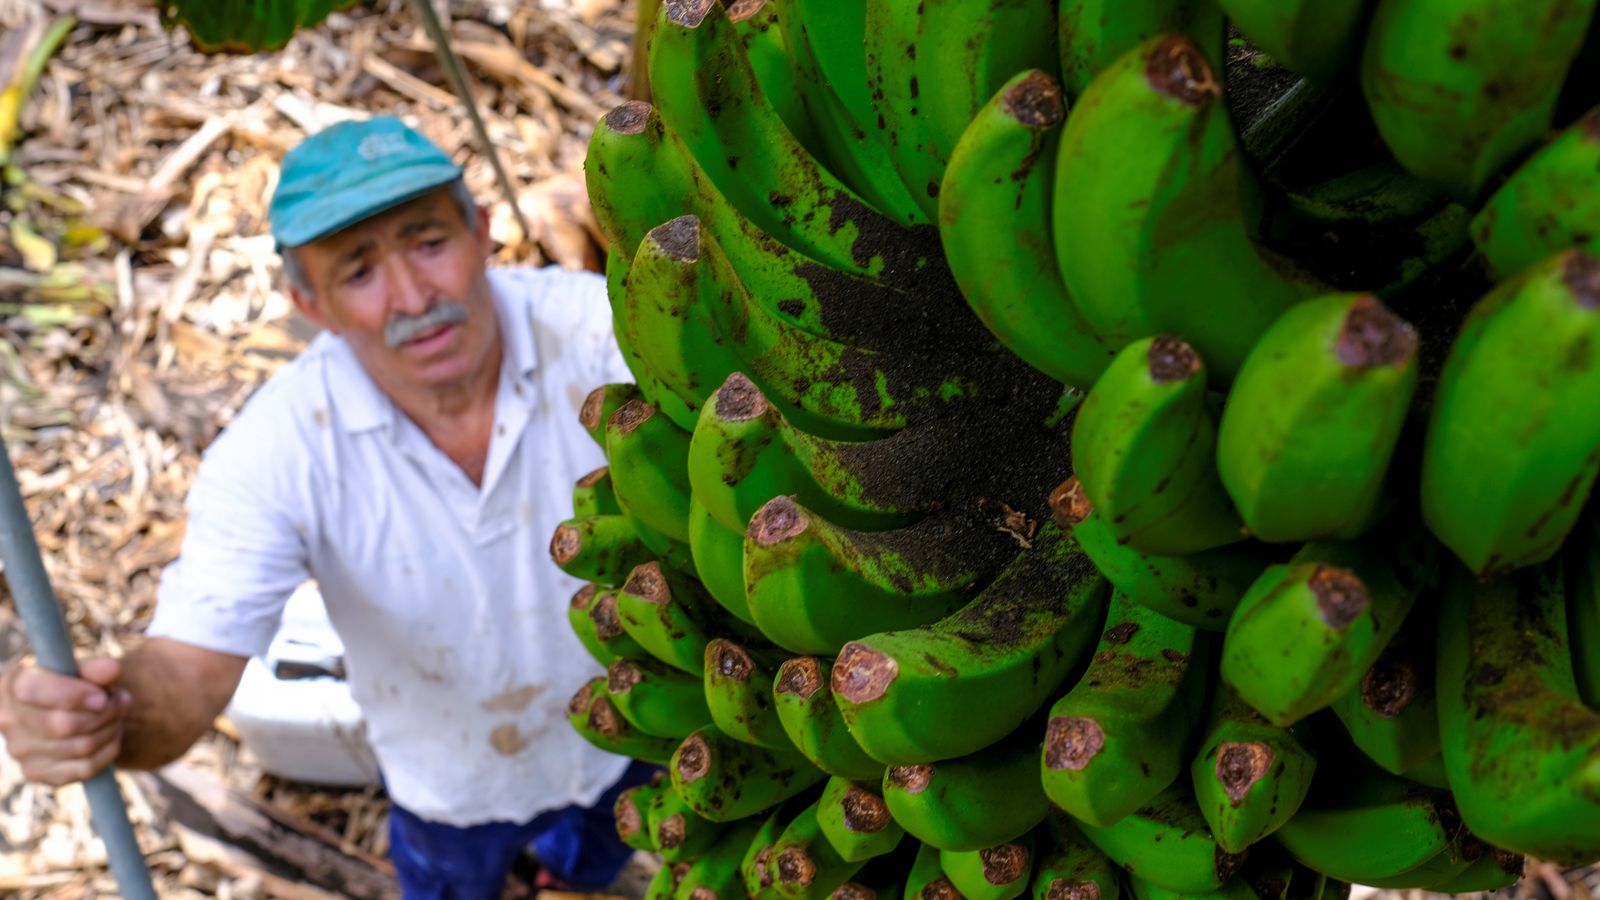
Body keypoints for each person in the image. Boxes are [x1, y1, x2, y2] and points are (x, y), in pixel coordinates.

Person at [0, 115, 654, 899]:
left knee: (590, 861)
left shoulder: (601, 332)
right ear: (310, 304)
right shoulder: (280, 449)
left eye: (428, 242)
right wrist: (109, 718)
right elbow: (189, 667)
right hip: (452, 780)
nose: (414, 297)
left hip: (633, 722)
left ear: (482, 234)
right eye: (358, 272)